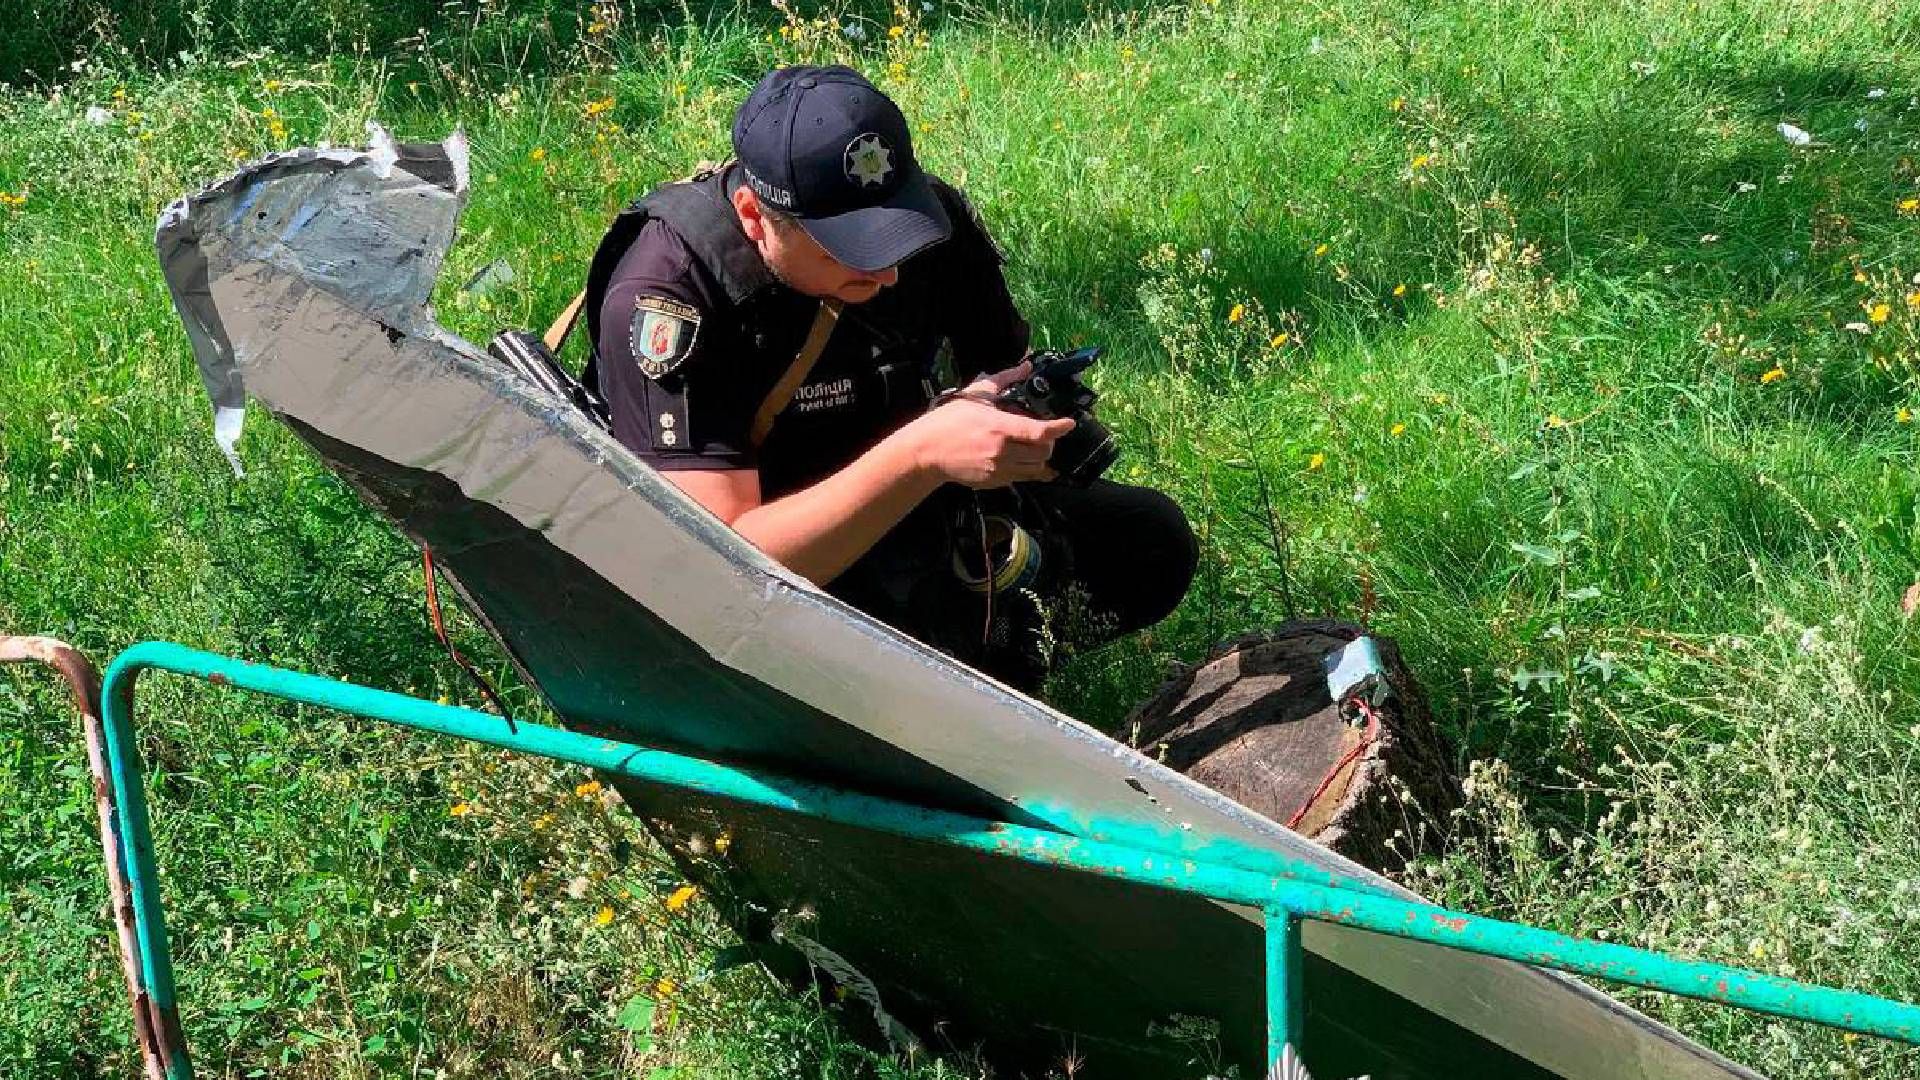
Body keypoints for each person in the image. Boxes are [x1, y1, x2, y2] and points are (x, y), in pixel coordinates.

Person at [587, 64, 1196, 692]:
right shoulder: (670, 291)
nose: (888, 275)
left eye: (895, 237)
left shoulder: (934, 231)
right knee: (914, 693)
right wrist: (923, 454)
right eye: (849, 251)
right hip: (783, 559)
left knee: (1150, 545)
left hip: (919, 508)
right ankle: (945, 684)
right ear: (753, 215)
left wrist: (1006, 424)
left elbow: (996, 361)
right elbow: (724, 567)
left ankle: (992, 661)